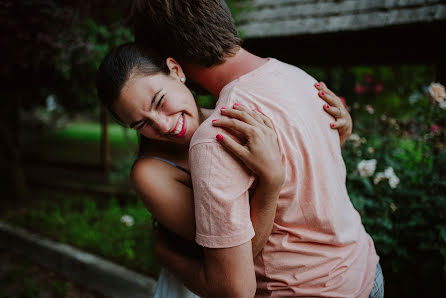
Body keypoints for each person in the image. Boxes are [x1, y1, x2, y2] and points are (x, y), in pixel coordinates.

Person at [130, 1, 383, 297]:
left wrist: (169, 258)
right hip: (364, 273)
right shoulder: (301, 79)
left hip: (303, 288)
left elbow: (233, 289)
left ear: (171, 63)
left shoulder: (222, 134)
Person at [96, 42, 355, 297]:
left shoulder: (232, 112)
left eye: (159, 101)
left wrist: (337, 132)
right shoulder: (151, 173)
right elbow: (238, 255)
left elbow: (309, 176)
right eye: (142, 123)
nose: (162, 126)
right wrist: (270, 181)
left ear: (176, 70)